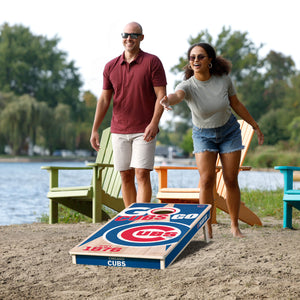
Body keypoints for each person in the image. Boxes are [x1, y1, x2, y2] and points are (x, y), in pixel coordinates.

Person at [160, 43, 264, 238]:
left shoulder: (223, 80)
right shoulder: (187, 85)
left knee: (230, 179)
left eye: (200, 57)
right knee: (206, 179)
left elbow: (236, 104)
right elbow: (177, 96)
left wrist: (254, 125)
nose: (196, 60)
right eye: (192, 58)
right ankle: (207, 228)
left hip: (229, 132)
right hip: (203, 135)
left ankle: (234, 226)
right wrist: (167, 100)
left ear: (209, 60)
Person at [90, 22, 167, 208]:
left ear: (141, 37)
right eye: (125, 34)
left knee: (141, 173)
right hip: (119, 130)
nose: (129, 38)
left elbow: (161, 96)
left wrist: (154, 123)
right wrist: (94, 130)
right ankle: (131, 219)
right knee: (125, 175)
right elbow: (104, 100)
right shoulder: (111, 66)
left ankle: (142, 218)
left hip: (144, 129)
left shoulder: (152, 62)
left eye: (134, 35)